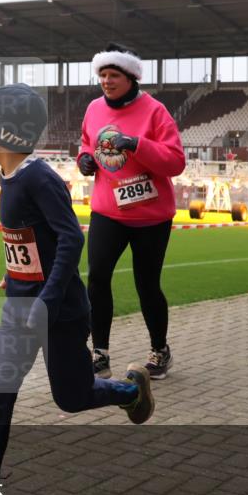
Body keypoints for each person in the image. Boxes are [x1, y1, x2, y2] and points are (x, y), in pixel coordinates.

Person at [0, 84, 154, 495]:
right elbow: (34, 239)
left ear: (7, 133)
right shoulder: (10, 175)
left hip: (60, 311)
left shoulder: (39, 178)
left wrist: (47, 298)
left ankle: (131, 391)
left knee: (71, 398)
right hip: (21, 306)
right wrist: (16, 275)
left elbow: (72, 237)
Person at [77, 44, 185, 380]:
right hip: (108, 212)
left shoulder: (154, 111)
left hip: (150, 217)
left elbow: (175, 161)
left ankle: (160, 350)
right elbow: (86, 141)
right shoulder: (94, 109)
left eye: (114, 75)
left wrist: (137, 144)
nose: (107, 81)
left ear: (131, 77)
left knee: (147, 284)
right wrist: (83, 158)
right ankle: (100, 354)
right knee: (97, 278)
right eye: (102, 75)